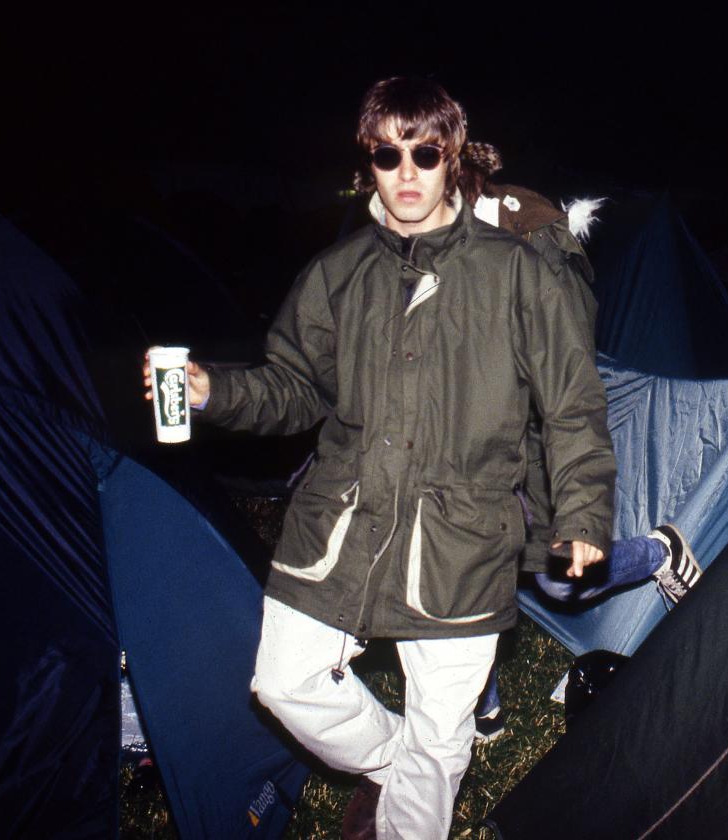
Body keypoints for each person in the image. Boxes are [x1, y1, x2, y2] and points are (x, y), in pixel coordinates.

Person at [145, 77, 615, 840]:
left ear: (452, 157)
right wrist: (210, 392)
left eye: (424, 152)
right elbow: (293, 389)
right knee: (284, 682)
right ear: (369, 160)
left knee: (442, 732)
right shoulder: (337, 275)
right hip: (344, 521)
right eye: (387, 153)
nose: (406, 172)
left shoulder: (521, 272)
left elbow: (571, 406)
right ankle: (394, 758)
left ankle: (416, 789)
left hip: (461, 533)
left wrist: (584, 512)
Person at [456, 142, 701, 740]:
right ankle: (482, 709)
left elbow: (567, 371)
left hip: (537, 430)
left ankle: (658, 551)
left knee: (556, 577)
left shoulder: (529, 236)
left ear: (459, 182)